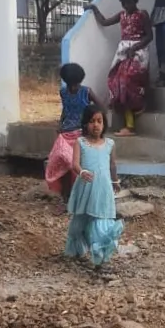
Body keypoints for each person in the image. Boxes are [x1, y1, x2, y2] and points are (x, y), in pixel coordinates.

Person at [84, 0, 152, 136]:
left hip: (138, 53)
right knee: (116, 80)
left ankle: (133, 118)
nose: (126, 5)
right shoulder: (121, 15)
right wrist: (94, 8)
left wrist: (134, 48)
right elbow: (104, 22)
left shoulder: (142, 15)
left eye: (129, 2)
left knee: (128, 81)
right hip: (123, 53)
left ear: (136, 0)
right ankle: (128, 117)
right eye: (124, 3)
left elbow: (149, 36)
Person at [65, 104, 123, 268]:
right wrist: (82, 172)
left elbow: (112, 165)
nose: (95, 125)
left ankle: (100, 255)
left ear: (104, 124)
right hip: (85, 187)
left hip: (103, 189)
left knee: (101, 219)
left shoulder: (110, 144)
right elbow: (75, 164)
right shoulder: (80, 142)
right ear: (85, 124)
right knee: (80, 219)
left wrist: (115, 181)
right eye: (91, 121)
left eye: (99, 121)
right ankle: (77, 250)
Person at [44, 63, 100, 211]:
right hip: (65, 134)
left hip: (82, 134)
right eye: (70, 84)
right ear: (66, 81)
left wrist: (93, 123)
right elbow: (65, 110)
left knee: (76, 166)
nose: (73, 87)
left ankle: (78, 200)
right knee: (60, 164)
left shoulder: (87, 92)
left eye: (76, 84)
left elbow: (101, 108)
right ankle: (65, 199)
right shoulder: (63, 92)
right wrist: (60, 124)